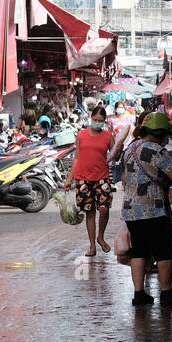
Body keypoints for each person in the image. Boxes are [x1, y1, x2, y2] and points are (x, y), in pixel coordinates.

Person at [121, 112, 172, 307]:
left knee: (139, 251)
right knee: (163, 249)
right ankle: (166, 294)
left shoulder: (130, 149)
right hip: (153, 209)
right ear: (160, 133)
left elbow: (124, 178)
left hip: (131, 210)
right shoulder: (155, 150)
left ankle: (139, 294)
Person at [63, 105, 115, 257]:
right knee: (90, 212)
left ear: (104, 121)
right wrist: (69, 179)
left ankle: (101, 237)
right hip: (83, 178)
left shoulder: (108, 136)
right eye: (95, 119)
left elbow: (114, 156)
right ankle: (92, 246)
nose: (97, 122)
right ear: (91, 118)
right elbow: (77, 158)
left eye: (100, 120)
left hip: (102, 177)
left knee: (104, 209)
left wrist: (118, 150)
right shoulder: (81, 135)